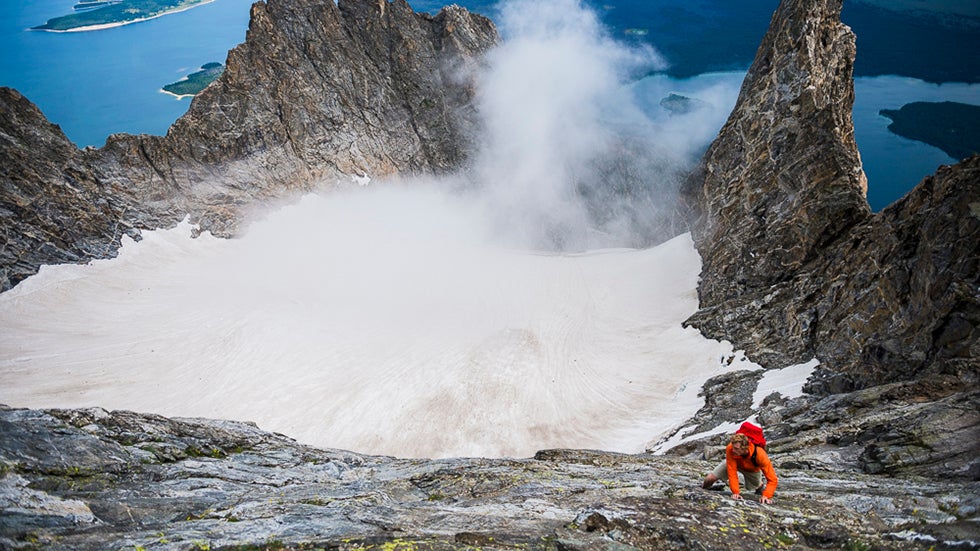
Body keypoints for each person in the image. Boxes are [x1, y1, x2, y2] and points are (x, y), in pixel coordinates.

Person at [701, 433, 778, 504]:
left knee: (756, 487)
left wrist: (766, 495)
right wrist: (735, 492)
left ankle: (760, 486)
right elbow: (732, 473)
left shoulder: (760, 455)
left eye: (736, 448)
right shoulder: (731, 449)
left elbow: (772, 479)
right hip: (735, 463)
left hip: (751, 469)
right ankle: (703, 489)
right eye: (733, 447)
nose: (733, 450)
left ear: (745, 447)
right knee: (709, 479)